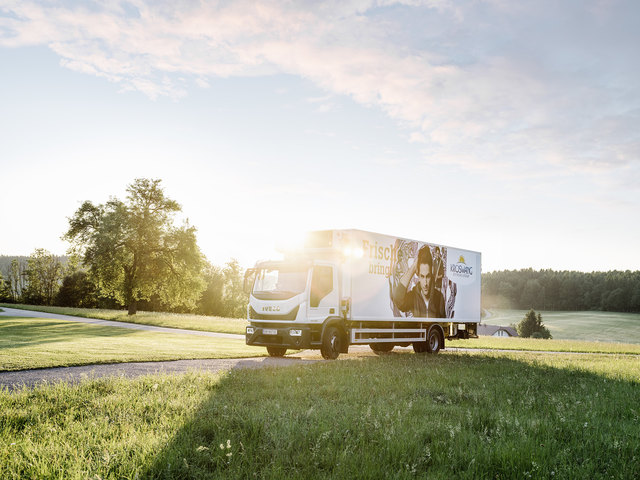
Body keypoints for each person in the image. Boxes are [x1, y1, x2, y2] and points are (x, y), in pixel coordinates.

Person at [391, 244, 445, 318]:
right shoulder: (414, 296)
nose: (425, 283)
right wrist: (414, 267)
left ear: (431, 274)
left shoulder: (439, 298)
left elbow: (442, 322)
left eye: (428, 276)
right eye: (422, 276)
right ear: (418, 275)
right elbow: (398, 299)